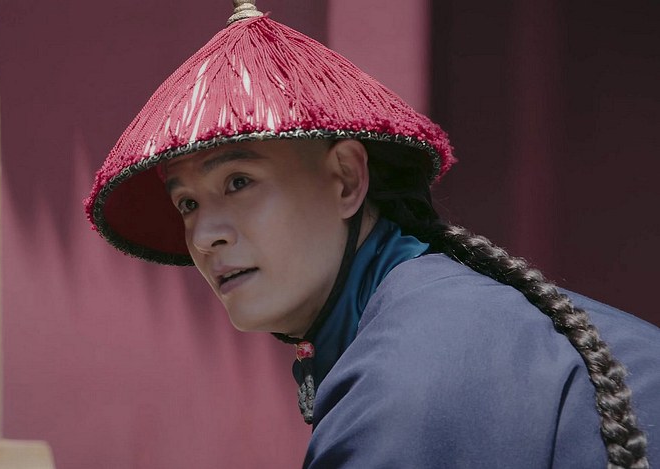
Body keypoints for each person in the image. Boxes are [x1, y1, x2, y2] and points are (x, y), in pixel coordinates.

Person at [85, 2, 660, 467]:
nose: (204, 234)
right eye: (186, 203)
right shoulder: (431, 321)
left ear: (346, 179)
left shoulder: (408, 377)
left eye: (238, 181)